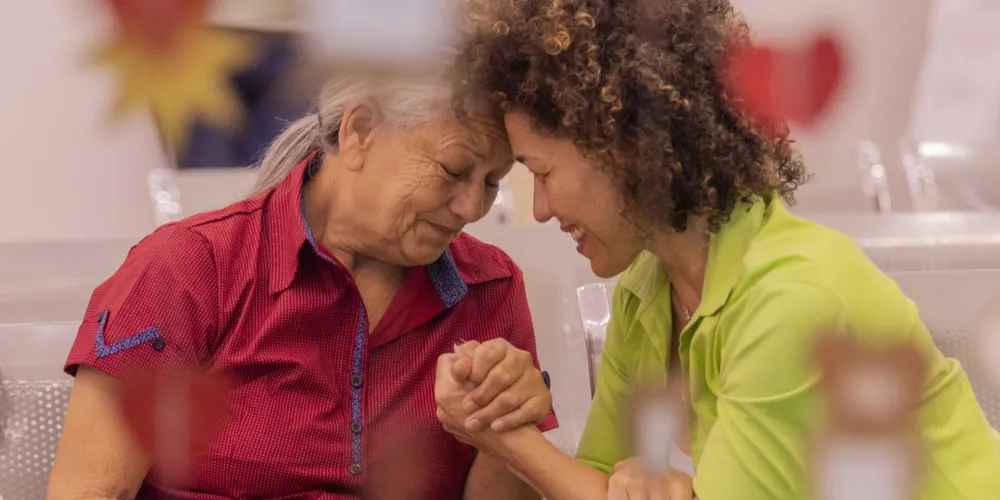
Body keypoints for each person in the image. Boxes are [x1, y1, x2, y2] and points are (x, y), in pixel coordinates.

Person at [434, 0, 1000, 499]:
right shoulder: (647, 291)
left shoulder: (791, 300)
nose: (539, 208)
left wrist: (501, 435)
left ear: (620, 147)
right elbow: (595, 475)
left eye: (543, 172)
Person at [47, 71, 557, 499]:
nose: (471, 209)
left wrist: (509, 428)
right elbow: (91, 490)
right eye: (452, 170)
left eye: (492, 182)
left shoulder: (489, 288)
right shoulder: (191, 268)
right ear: (360, 131)